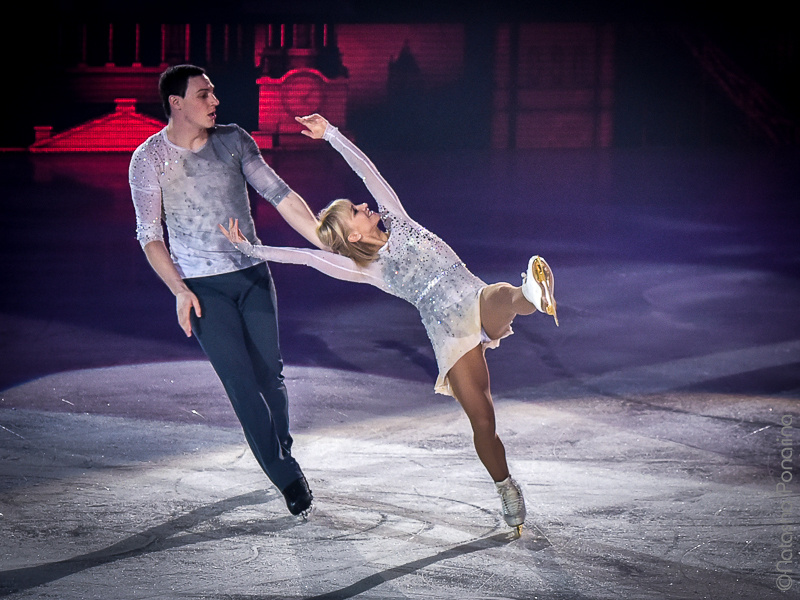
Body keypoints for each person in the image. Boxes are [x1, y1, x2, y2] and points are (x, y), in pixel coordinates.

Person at [219, 114, 559, 532]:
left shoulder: (397, 218)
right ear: (354, 237)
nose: (364, 206)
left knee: (501, 296)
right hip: (448, 332)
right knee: (484, 422)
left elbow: (368, 171)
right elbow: (307, 256)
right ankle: (504, 485)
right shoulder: (366, 269)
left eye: (359, 205)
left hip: (471, 294)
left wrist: (333, 136)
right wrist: (253, 250)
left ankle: (531, 293)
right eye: (356, 212)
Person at [129, 65, 324, 518]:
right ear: (176, 103)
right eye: (203, 95)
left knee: (269, 378)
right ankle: (285, 476)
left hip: (252, 274)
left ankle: (281, 449)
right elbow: (148, 234)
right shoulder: (149, 158)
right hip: (201, 289)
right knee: (241, 385)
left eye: (214, 93)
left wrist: (324, 239)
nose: (215, 102)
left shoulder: (235, 139)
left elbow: (281, 194)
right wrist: (178, 288)